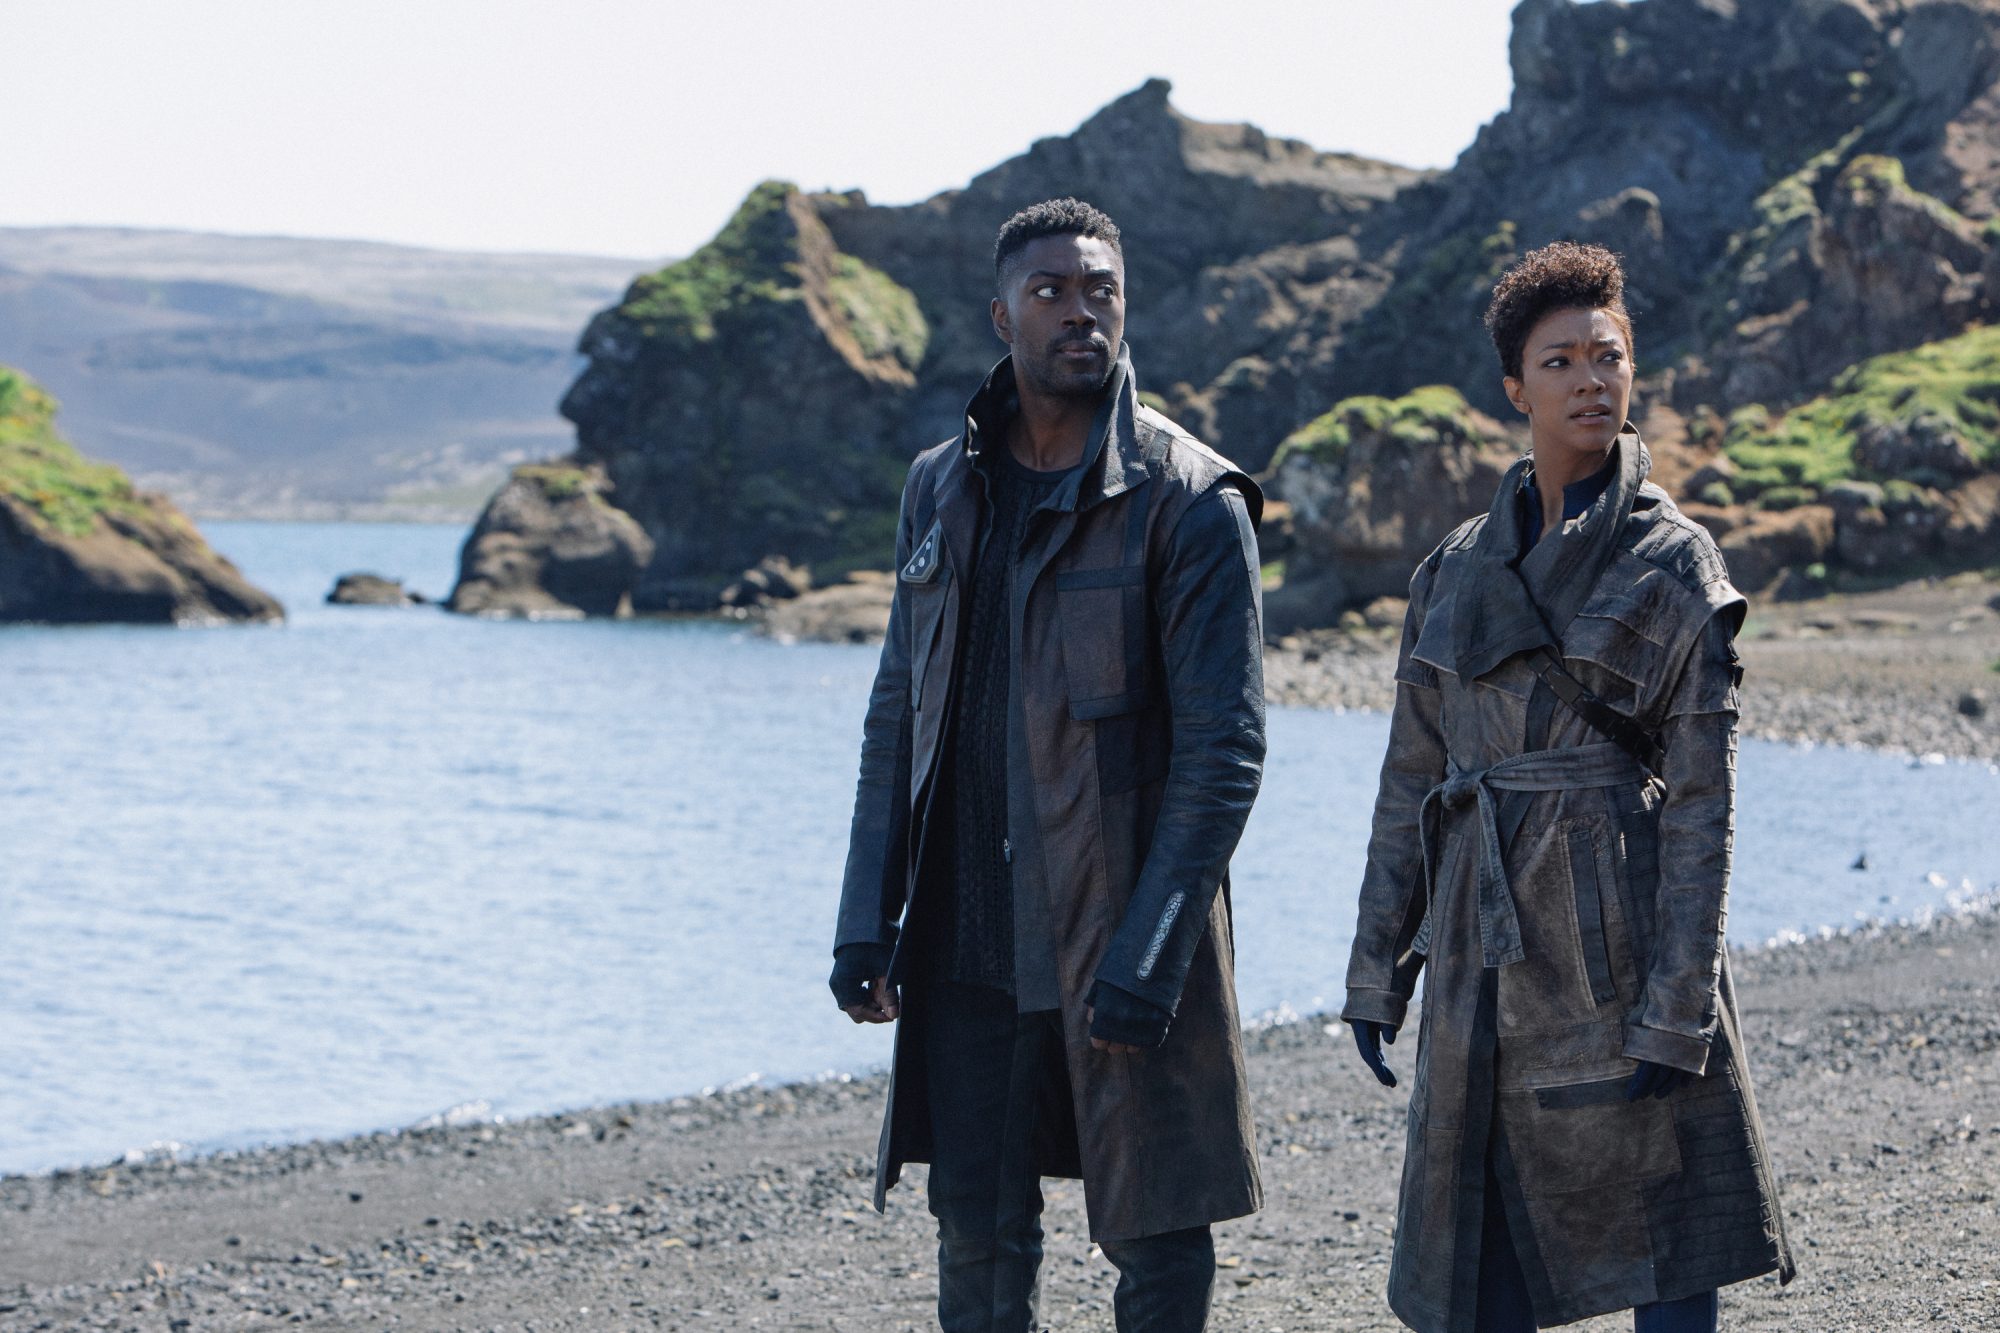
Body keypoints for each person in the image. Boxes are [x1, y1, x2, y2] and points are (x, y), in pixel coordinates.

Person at [828, 198, 1267, 1333]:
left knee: (1156, 1232)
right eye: (1051, 291)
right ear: (1001, 315)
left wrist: (1151, 952)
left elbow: (1224, 752)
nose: (1080, 311)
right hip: (965, 944)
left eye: (1099, 290)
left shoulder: (1188, 498)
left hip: (1116, 934)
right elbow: (898, 710)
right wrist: (864, 919)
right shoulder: (938, 486)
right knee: (975, 1232)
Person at [1341, 242, 1796, 1332]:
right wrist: (1376, 971)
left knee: (1665, 1233)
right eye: (1560, 362)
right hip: (1478, 953)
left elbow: (1703, 805)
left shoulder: (1673, 561)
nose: (1591, 381)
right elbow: (1411, 778)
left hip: (1620, 941)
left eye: (1609, 356)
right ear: (1515, 388)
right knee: (1479, 1256)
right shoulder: (1453, 569)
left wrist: (1677, 1009)